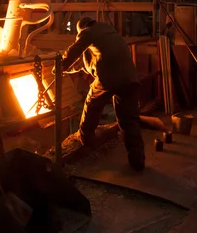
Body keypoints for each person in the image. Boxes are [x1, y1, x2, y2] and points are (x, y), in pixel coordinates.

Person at [60, 17, 145, 171]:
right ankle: (137, 161)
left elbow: (74, 50)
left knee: (92, 103)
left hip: (109, 77)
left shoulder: (87, 33)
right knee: (129, 120)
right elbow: (81, 62)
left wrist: (60, 65)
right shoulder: (108, 32)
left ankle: (86, 138)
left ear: (82, 28)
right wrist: (68, 69)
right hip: (131, 78)